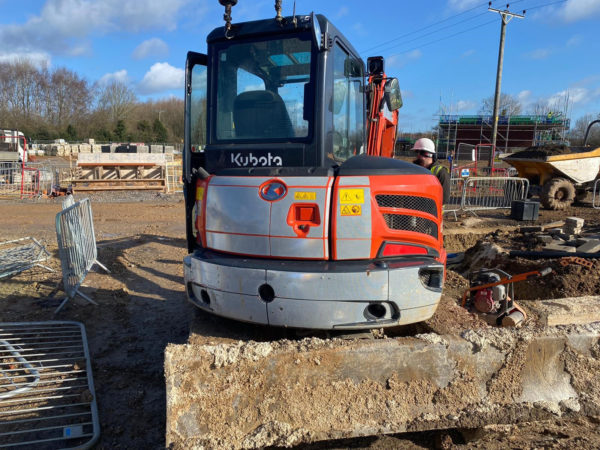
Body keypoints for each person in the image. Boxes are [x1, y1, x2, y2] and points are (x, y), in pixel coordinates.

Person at [411, 138, 450, 204]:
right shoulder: (415, 169)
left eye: (419, 152)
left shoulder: (441, 172)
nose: (417, 156)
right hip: (416, 210)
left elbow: (445, 198)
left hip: (432, 212)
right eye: (416, 152)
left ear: (427, 154)